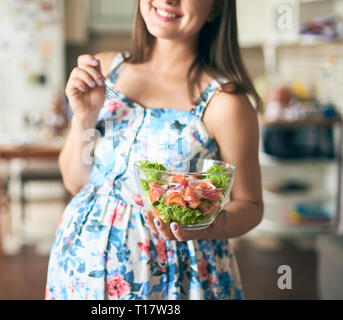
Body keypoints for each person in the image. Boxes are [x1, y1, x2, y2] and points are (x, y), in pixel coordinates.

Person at [45, 0, 263, 300]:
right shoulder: (105, 71)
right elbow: (75, 183)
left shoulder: (225, 104)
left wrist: (206, 227)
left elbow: (250, 206)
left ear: (215, 8)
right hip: (79, 269)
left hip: (171, 281)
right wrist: (85, 115)